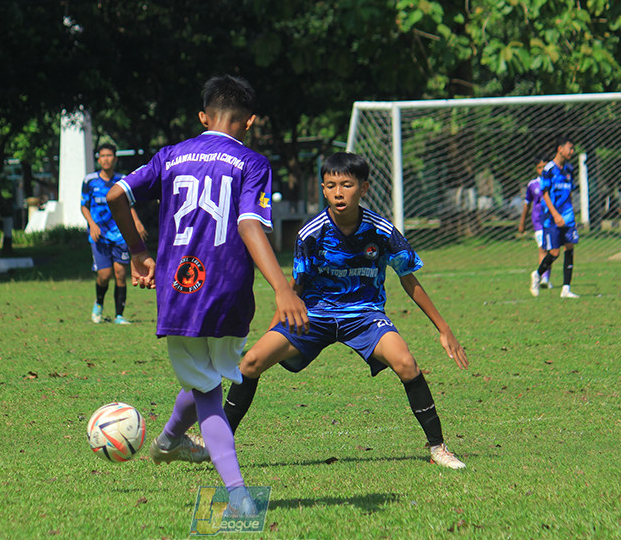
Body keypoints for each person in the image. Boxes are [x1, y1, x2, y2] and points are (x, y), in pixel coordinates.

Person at [106, 75, 308, 516]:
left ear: (202, 116)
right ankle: (196, 462)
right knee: (209, 379)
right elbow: (249, 224)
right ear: (250, 121)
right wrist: (281, 287)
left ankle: (224, 486)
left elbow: (116, 194)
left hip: (180, 289)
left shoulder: (170, 155)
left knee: (205, 386)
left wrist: (139, 253)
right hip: (228, 290)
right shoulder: (251, 162)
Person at [222, 151, 470, 469]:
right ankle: (217, 443)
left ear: (363, 188)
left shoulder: (381, 231)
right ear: (323, 189)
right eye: (331, 185)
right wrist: (274, 330)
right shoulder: (310, 234)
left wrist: (443, 328)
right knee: (252, 362)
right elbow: (294, 290)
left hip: (365, 316)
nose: (339, 192)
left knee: (406, 363)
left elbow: (409, 279)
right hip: (314, 315)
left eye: (347, 185)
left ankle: (438, 448)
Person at [81, 144, 147, 324]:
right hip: (99, 235)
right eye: (102, 156)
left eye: (109, 155)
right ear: (98, 159)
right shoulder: (90, 181)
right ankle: (99, 303)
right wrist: (92, 224)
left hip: (119, 233)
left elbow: (128, 205)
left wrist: (137, 222)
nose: (106, 159)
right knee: (104, 274)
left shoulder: (122, 180)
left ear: (115, 159)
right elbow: (84, 206)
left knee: (119, 273)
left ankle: (119, 315)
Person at [529, 136, 580, 298]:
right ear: (560, 149)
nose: (572, 151)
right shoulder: (549, 169)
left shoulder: (570, 169)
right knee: (554, 253)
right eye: (569, 148)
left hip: (568, 215)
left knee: (570, 247)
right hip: (552, 217)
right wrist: (556, 215)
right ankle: (537, 275)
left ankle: (566, 289)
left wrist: (571, 214)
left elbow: (569, 192)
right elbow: (545, 194)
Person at [518, 159, 552, 289]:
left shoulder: (553, 182)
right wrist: (522, 222)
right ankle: (543, 278)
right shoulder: (532, 184)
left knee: (551, 249)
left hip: (551, 219)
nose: (542, 170)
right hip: (538, 221)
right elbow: (527, 204)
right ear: (536, 169)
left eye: (544, 167)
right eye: (539, 167)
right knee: (542, 248)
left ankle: (546, 278)